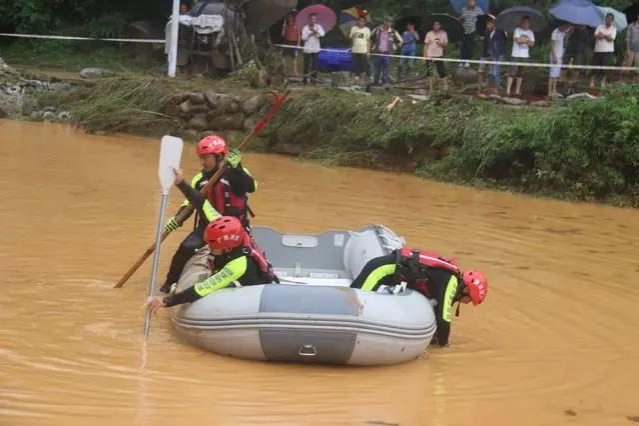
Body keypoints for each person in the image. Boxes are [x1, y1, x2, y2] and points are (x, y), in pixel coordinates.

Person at [159, 135, 256, 294]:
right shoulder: (200, 178)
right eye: (201, 158)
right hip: (208, 224)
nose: (202, 162)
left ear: (219, 156)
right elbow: (190, 203)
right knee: (185, 248)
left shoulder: (236, 172)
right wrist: (177, 219)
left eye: (206, 158)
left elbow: (250, 187)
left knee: (242, 254)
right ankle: (170, 282)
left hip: (235, 225)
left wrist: (237, 168)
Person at [350, 248, 488, 347]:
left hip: (385, 272)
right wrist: (444, 346)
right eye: (469, 299)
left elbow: (437, 312)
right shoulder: (450, 281)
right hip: (380, 270)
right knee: (353, 306)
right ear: (465, 290)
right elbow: (444, 318)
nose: (466, 302)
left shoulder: (446, 280)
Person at [146, 216, 276, 312]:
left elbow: (202, 289)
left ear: (227, 248)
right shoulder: (239, 242)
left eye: (213, 246)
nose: (209, 247)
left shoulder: (238, 266)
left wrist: (166, 301)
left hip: (259, 298)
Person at [506, 16, 535, 97]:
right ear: (521, 23)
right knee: (512, 73)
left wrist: (523, 40)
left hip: (525, 55)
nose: (526, 24)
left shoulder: (531, 32)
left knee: (520, 74)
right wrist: (527, 41)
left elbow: (532, 44)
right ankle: (508, 91)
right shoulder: (517, 30)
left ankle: (517, 91)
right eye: (524, 22)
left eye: (527, 23)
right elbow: (518, 41)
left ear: (529, 24)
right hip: (516, 54)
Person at [478, 19, 506, 95]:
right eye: (487, 24)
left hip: (497, 55)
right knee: (486, 71)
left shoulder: (501, 32)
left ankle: (496, 89)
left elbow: (502, 44)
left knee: (496, 72)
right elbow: (485, 44)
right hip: (486, 54)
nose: (488, 26)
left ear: (494, 24)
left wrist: (497, 53)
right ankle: (482, 88)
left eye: (490, 24)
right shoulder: (486, 32)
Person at [371, 16, 402, 86]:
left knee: (386, 69)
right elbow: (370, 38)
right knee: (377, 69)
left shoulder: (393, 31)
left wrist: (395, 47)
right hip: (378, 52)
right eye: (387, 21)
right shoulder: (377, 29)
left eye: (390, 22)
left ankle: (384, 83)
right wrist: (373, 47)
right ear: (384, 21)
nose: (389, 23)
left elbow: (401, 40)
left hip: (387, 53)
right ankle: (375, 83)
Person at [590, 13, 617, 89]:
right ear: (605, 18)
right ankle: (592, 81)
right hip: (598, 50)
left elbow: (611, 39)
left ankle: (603, 82)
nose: (608, 19)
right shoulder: (599, 26)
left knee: (605, 67)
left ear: (612, 20)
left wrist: (603, 35)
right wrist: (606, 35)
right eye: (607, 18)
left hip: (608, 51)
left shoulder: (614, 28)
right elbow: (596, 35)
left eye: (610, 18)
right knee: (595, 66)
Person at [423, 20, 449, 92]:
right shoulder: (429, 34)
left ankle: (445, 87)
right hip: (430, 55)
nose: (436, 26)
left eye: (437, 24)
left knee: (442, 72)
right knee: (430, 72)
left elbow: (446, 44)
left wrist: (440, 43)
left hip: (439, 55)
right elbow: (426, 45)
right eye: (434, 24)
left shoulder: (444, 33)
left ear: (440, 25)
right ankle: (431, 88)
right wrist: (424, 57)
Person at [548, 22, 572, 98]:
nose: (567, 28)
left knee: (556, 74)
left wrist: (571, 30)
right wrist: (554, 56)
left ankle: (554, 90)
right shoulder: (555, 32)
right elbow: (551, 45)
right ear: (563, 25)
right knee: (552, 75)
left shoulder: (563, 32)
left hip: (560, 56)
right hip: (554, 56)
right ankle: (549, 92)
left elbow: (569, 33)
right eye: (567, 26)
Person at [301, 13, 325, 85]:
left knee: (314, 66)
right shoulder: (305, 27)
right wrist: (310, 34)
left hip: (316, 48)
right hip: (307, 48)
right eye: (312, 19)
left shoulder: (318, 26)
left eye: (314, 19)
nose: (313, 20)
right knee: (306, 65)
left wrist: (315, 31)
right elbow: (303, 38)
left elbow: (322, 34)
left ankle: (313, 80)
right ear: (309, 19)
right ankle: (304, 80)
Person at [459, 0, 484, 68]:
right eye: (469, 1)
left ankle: (467, 61)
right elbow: (461, 20)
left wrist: (481, 34)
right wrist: (460, 18)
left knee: (469, 46)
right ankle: (462, 61)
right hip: (464, 30)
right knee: (462, 46)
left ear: (475, 2)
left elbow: (481, 22)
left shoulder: (479, 10)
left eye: (472, 1)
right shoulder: (464, 9)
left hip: (472, 30)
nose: (470, 3)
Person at [349, 16, 371, 83]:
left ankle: (362, 80)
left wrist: (368, 51)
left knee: (363, 66)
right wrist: (352, 35)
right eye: (360, 21)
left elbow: (368, 41)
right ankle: (352, 80)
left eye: (363, 21)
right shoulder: (354, 28)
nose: (361, 22)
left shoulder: (367, 29)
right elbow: (350, 37)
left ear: (365, 22)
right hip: (355, 50)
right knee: (354, 65)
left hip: (363, 50)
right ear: (357, 21)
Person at [623, 14, 639, 82]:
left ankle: (635, 81)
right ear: (638, 16)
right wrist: (628, 49)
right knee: (627, 66)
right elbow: (627, 39)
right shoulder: (631, 26)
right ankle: (624, 81)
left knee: (637, 67)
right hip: (631, 49)